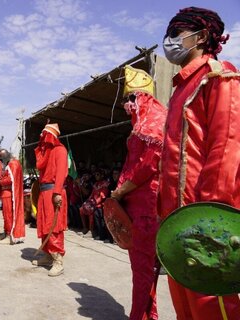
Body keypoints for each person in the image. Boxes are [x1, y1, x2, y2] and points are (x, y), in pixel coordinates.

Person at [158, 7, 240, 319]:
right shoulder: (179, 90)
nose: (169, 42)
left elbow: (226, 148)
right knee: (185, 307)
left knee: (213, 306)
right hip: (177, 221)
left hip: (204, 223)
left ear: (201, 36)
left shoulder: (218, 77)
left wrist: (208, 220)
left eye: (175, 35)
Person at [110, 65, 167, 320]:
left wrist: (121, 190)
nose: (126, 105)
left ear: (139, 97)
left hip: (146, 207)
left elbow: (149, 164)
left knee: (143, 272)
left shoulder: (153, 119)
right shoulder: (143, 122)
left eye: (128, 99)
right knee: (144, 271)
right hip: (137, 204)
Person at [31, 123, 68, 277]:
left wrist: (57, 192)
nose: (41, 137)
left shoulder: (60, 150)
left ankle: (58, 261)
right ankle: (47, 255)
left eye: (43, 134)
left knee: (54, 227)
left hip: (54, 192)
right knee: (44, 225)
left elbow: (61, 172)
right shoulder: (45, 153)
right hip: (44, 192)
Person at [0, 148, 25, 245]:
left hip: (9, 194)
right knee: (6, 215)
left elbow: (11, 180)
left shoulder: (13, 164)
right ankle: (6, 232)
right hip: (6, 193)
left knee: (8, 215)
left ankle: (10, 235)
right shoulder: (10, 164)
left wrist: (0, 182)